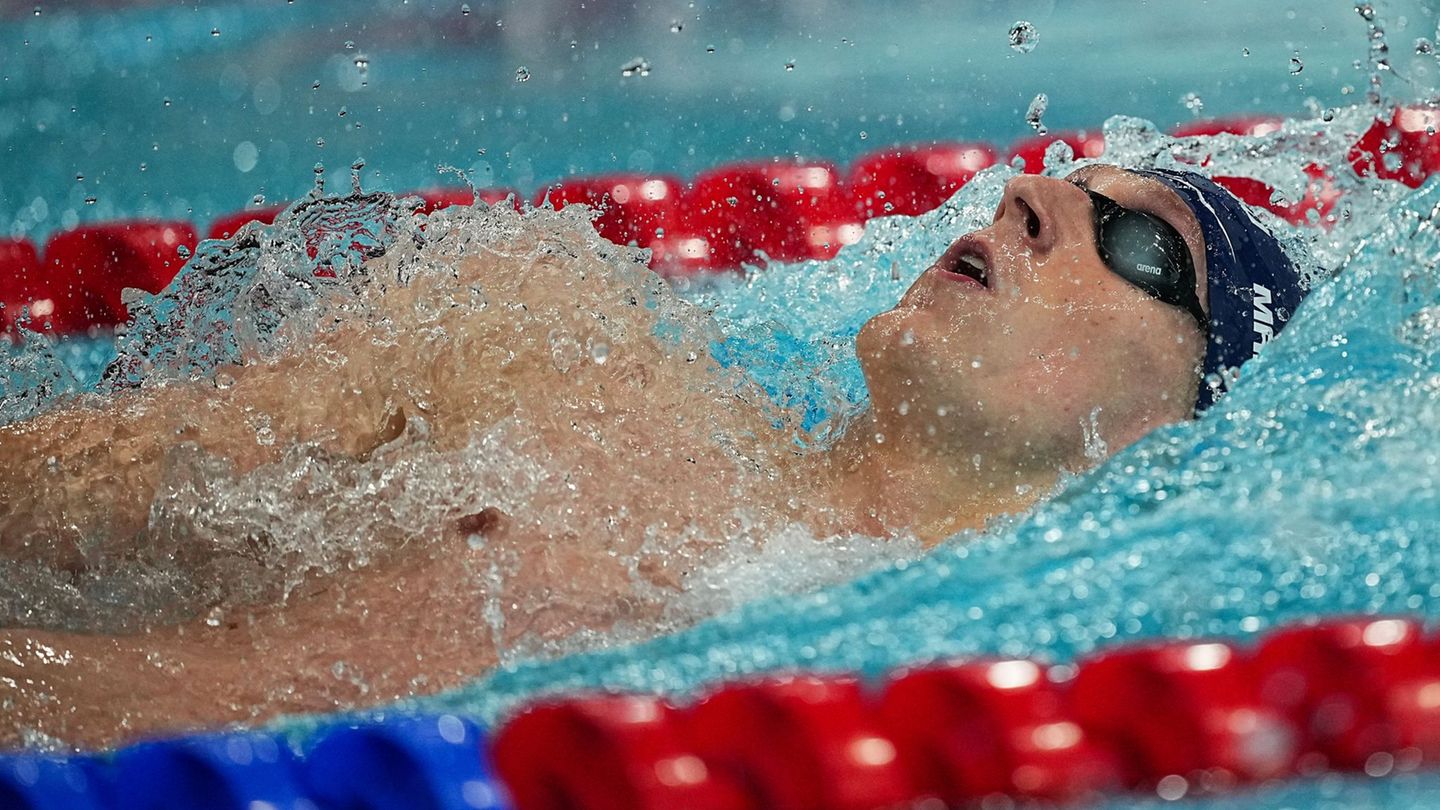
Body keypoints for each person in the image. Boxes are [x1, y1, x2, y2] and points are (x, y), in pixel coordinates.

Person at [0, 163, 1309, 749]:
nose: (1030, 200)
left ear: (1168, 425)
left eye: (1137, 247)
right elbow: (60, 489)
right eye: (1065, 182)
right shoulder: (550, 340)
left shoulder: (922, 713)